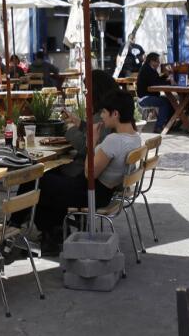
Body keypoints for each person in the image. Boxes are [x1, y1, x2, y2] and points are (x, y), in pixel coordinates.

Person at [34, 90, 143, 253]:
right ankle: (52, 231)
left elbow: (89, 174)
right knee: (50, 177)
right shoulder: (135, 138)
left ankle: (34, 230)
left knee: (38, 180)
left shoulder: (114, 140)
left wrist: (91, 142)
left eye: (104, 113)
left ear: (115, 114)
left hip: (93, 194)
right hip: (106, 191)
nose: (102, 117)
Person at [136, 53, 173, 132]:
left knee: (171, 101)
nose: (158, 63)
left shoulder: (150, 69)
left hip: (150, 96)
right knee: (164, 102)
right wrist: (169, 82)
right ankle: (158, 127)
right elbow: (155, 83)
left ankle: (169, 125)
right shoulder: (146, 70)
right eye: (157, 61)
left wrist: (166, 76)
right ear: (151, 61)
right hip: (144, 98)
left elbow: (156, 80)